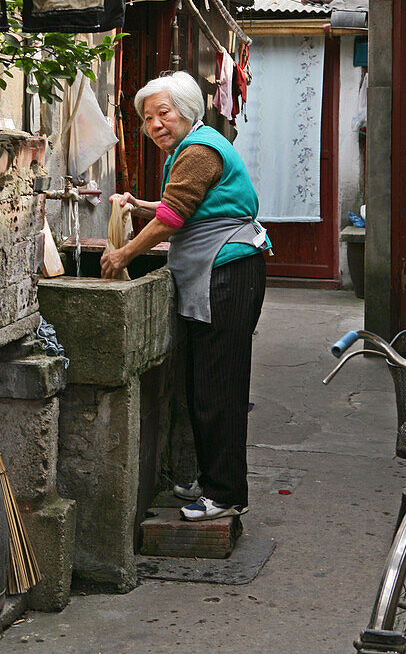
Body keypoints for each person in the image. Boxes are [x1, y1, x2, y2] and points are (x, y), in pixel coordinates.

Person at [100, 70, 269, 521]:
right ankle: (214, 479)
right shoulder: (193, 148)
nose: (154, 124)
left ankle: (226, 493)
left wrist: (124, 254)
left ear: (187, 111)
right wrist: (140, 206)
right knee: (204, 385)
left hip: (229, 276)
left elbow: (175, 217)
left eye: (163, 113)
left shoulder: (196, 152)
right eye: (147, 117)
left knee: (221, 388)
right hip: (220, 275)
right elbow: (187, 203)